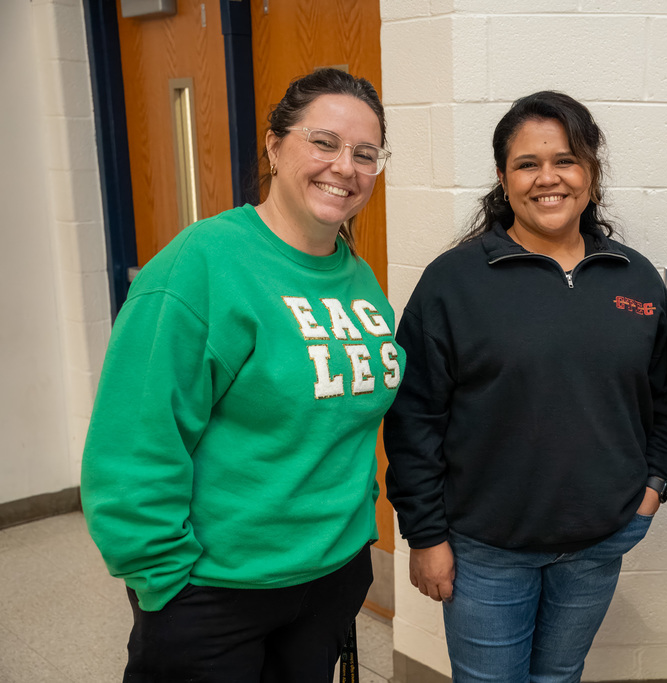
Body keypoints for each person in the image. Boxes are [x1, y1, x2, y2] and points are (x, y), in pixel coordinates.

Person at [81, 67, 402, 682]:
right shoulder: (200, 265)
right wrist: (165, 581)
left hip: (328, 577)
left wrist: (353, 538)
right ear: (275, 145)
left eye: (366, 154)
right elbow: (133, 443)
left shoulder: (355, 274)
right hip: (215, 590)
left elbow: (347, 420)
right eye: (324, 142)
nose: (346, 167)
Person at [383, 91, 667, 682]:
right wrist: (425, 534)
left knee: (559, 678)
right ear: (503, 177)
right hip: (483, 551)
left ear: (591, 171)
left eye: (565, 160)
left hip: (598, 545)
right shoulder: (454, 282)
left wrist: (651, 489)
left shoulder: (636, 278)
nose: (549, 178)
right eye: (527, 164)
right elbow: (414, 418)